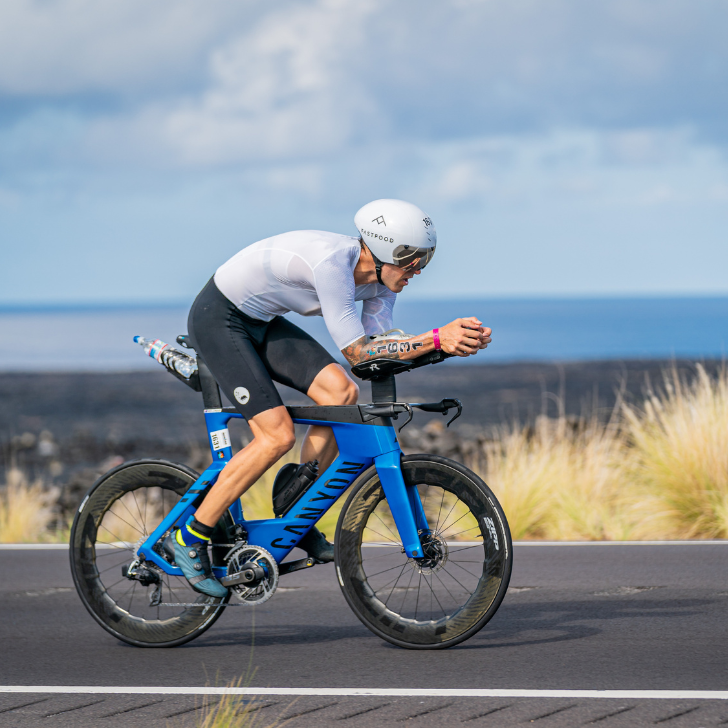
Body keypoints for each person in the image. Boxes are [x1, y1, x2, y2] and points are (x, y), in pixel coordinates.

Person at [171, 199, 492, 597]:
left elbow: (379, 350)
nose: (419, 271)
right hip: (219, 319)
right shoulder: (333, 266)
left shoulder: (381, 281)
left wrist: (445, 347)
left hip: (260, 321)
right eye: (412, 261)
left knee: (341, 392)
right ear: (384, 250)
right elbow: (357, 352)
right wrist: (436, 337)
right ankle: (190, 536)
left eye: (425, 260)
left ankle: (294, 515)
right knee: (276, 435)